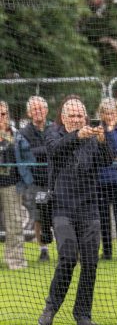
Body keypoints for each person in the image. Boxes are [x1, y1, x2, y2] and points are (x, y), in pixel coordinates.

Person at [38, 98, 114, 325]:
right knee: (68, 257)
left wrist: (102, 142)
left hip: (89, 207)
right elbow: (54, 151)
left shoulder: (92, 138)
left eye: (81, 116)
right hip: (62, 206)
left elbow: (107, 161)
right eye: (72, 116)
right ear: (63, 117)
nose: (77, 119)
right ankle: (50, 307)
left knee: (90, 262)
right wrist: (77, 136)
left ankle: (82, 314)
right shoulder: (54, 134)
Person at [18, 96, 54, 262]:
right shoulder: (24, 132)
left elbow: (56, 150)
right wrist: (46, 150)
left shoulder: (54, 128)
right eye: (34, 109)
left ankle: (64, 248)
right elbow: (28, 154)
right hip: (36, 182)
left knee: (59, 213)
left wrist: (40, 151)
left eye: (41, 108)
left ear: (46, 111)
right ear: (29, 112)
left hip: (56, 180)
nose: (38, 112)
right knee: (39, 215)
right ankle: (43, 249)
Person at [97, 98, 117, 260]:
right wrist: (103, 139)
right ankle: (107, 251)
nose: (109, 116)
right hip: (101, 179)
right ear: (102, 114)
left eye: (112, 113)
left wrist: (110, 131)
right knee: (103, 217)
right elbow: (100, 152)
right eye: (106, 113)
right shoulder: (97, 128)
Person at [0, 101, 28, 270]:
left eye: (3, 114)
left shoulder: (15, 134)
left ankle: (15, 260)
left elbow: (25, 154)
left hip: (10, 184)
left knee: (15, 224)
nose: (1, 117)